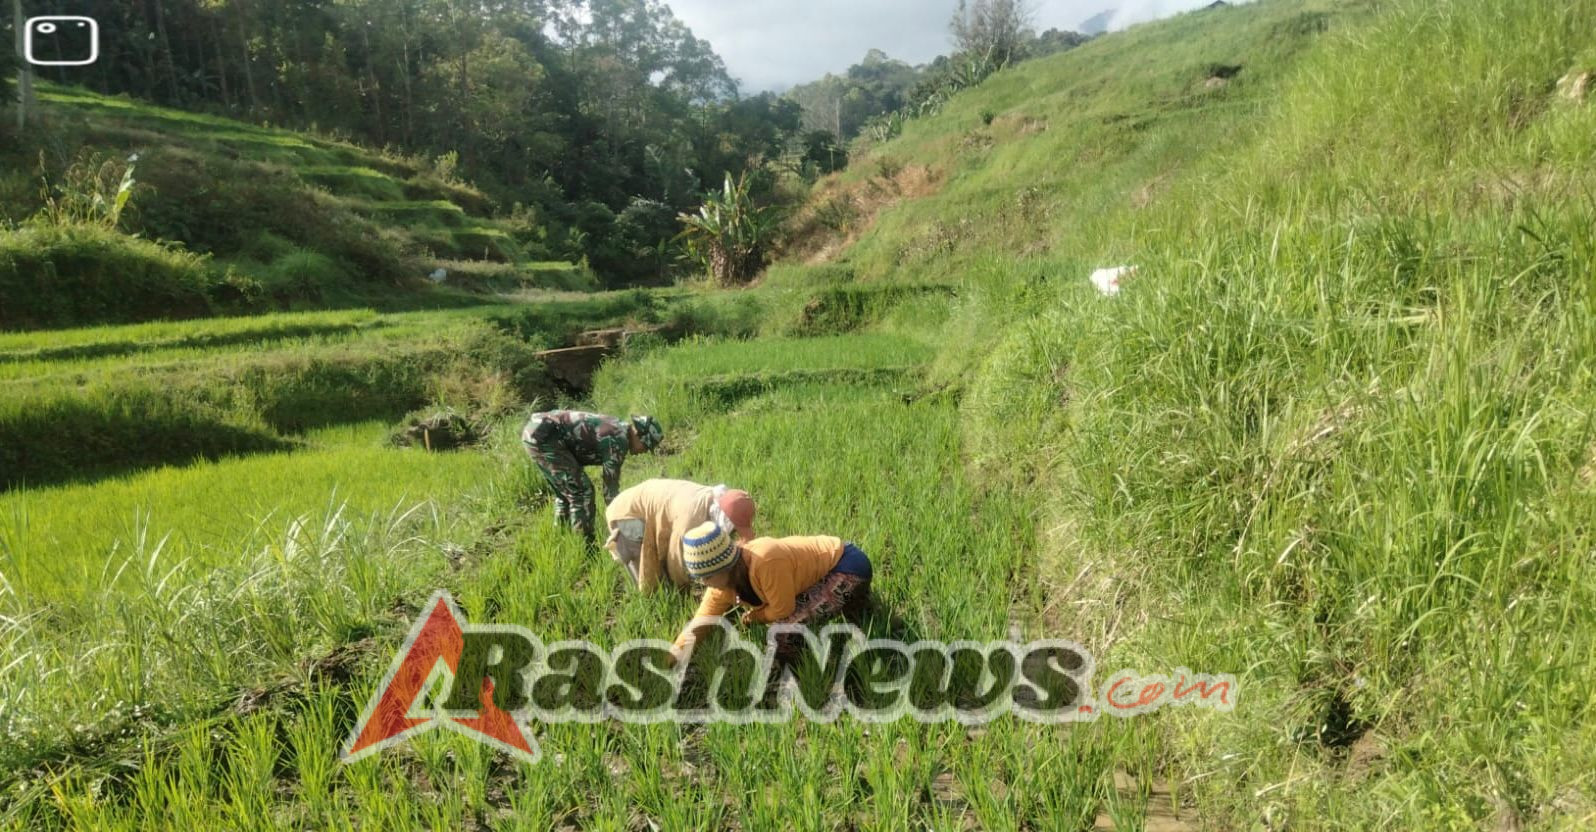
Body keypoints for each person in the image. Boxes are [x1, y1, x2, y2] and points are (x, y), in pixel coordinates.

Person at [670, 522, 874, 664]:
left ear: (724, 567)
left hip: (847, 566)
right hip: (822, 575)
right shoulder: (721, 587)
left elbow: (784, 608)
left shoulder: (765, 561)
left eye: (707, 577)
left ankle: (807, 670)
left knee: (782, 632)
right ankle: (857, 606)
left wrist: (753, 617)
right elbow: (701, 622)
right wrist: (674, 654)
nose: (705, 584)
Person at [521, 410, 663, 540]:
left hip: (535, 431)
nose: (644, 451)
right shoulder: (618, 441)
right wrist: (628, 528)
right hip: (546, 437)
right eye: (646, 446)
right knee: (582, 492)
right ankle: (585, 545)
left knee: (565, 494)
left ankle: (561, 537)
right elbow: (610, 492)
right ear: (639, 435)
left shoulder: (618, 427)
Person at [603, 480, 757, 593]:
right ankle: (653, 601)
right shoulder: (691, 518)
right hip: (629, 512)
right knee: (647, 565)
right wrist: (683, 588)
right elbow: (676, 558)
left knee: (662, 565)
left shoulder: (716, 502)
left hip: (653, 503)